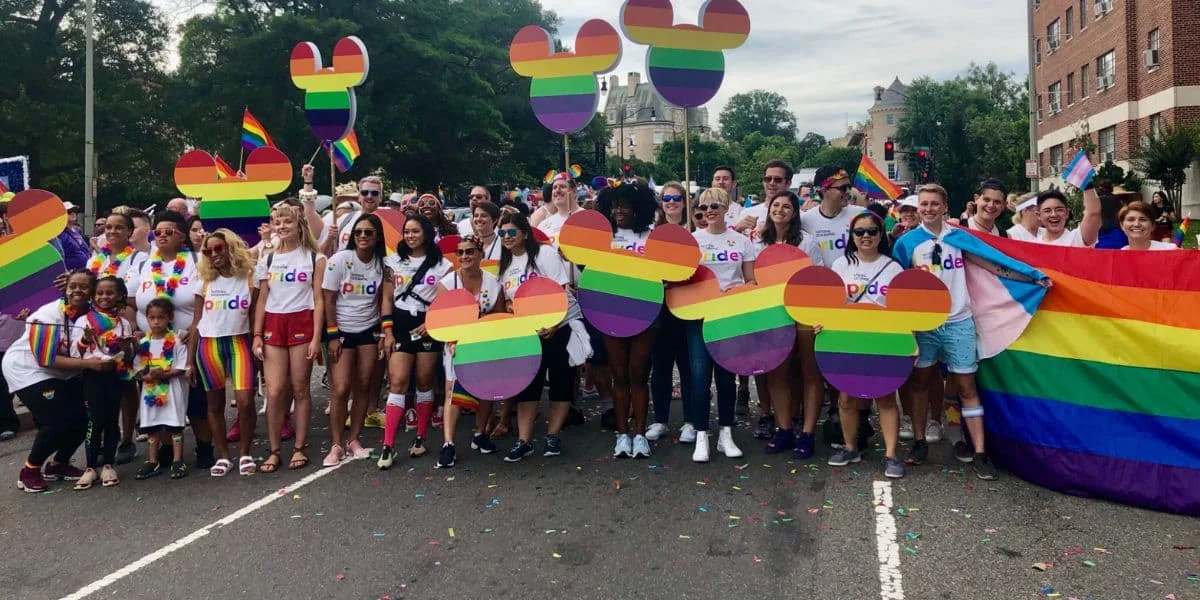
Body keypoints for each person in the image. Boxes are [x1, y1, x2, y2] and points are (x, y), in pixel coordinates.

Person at [893, 184, 1049, 480]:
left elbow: (993, 264)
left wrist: (1030, 278)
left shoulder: (960, 238)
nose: (929, 209)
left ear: (945, 206)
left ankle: (980, 452)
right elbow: (897, 284)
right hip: (924, 325)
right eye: (924, 204)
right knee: (921, 384)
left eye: (934, 204)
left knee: (967, 387)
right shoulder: (907, 243)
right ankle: (918, 441)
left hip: (960, 321)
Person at [7, 269, 116, 492]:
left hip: (64, 372)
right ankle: (30, 470)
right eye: (73, 285)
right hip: (28, 370)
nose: (77, 290)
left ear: (92, 292)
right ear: (66, 289)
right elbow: (45, 359)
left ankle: (59, 464)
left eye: (84, 287)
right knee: (56, 421)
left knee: (84, 419)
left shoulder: (91, 316)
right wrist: (89, 364)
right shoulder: (47, 315)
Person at [124, 210, 213, 470]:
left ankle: (204, 446)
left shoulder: (196, 262)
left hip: (187, 344)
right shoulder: (143, 265)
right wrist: (134, 331)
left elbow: (203, 309)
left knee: (195, 398)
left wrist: (193, 337)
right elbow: (131, 304)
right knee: (157, 394)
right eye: (157, 232)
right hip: (151, 347)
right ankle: (164, 450)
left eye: (168, 232)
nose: (161, 236)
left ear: (182, 237)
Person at [823, 212, 906, 478]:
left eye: (871, 231)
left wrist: (909, 341)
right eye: (859, 232)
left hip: (884, 339)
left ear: (881, 235)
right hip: (847, 338)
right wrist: (823, 324)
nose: (866, 236)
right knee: (846, 398)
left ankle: (892, 455)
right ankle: (850, 447)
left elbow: (903, 309)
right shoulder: (840, 265)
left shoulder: (893, 268)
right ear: (852, 236)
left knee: (885, 395)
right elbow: (832, 303)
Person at [497, 212, 584, 462]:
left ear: (525, 232)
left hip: (558, 327)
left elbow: (560, 289)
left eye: (511, 232)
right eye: (502, 233)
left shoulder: (544, 254)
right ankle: (524, 440)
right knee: (528, 387)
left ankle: (552, 435)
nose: (506, 237)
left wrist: (555, 324)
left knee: (561, 383)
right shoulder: (504, 265)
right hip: (526, 333)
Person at [252, 202, 326, 473]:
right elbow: (261, 299)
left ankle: (299, 447)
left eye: (288, 222)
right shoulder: (267, 258)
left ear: (299, 225)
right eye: (278, 222)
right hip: (274, 323)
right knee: (274, 391)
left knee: (300, 388)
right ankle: (273, 451)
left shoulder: (314, 258)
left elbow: (319, 300)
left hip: (302, 321)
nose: (282, 227)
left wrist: (317, 336)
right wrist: (257, 334)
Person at [379, 215, 454, 468]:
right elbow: (387, 299)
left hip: (427, 325)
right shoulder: (392, 262)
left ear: (426, 233)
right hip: (400, 323)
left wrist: (432, 322)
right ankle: (387, 445)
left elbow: (445, 301)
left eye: (415, 231)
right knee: (398, 380)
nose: (410, 236)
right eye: (406, 232)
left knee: (424, 379)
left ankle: (420, 436)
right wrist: (387, 332)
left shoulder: (442, 265)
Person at [685, 187, 752, 463]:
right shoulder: (692, 241)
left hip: (730, 317)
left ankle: (726, 433)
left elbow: (750, 282)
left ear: (726, 208)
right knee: (700, 378)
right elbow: (683, 282)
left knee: (727, 379)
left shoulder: (741, 241)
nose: (709, 211)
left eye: (715, 206)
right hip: (700, 318)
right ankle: (701, 435)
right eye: (704, 207)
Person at [757, 190, 824, 458]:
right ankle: (784, 429)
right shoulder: (758, 242)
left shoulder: (806, 242)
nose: (780, 210)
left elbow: (817, 280)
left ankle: (807, 433)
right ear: (769, 209)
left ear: (794, 213)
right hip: (773, 314)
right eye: (776, 205)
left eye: (786, 206)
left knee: (810, 373)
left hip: (804, 312)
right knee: (777, 373)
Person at [594, 180, 659, 458]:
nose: (618, 209)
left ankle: (641, 434)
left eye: (624, 204)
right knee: (619, 376)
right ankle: (622, 434)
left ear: (639, 207)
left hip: (647, 311)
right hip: (611, 311)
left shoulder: (652, 236)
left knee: (638, 375)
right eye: (614, 205)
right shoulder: (602, 236)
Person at [189, 229, 259, 476]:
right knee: (214, 403)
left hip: (240, 342)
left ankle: (246, 453)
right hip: (209, 345)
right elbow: (196, 323)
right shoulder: (204, 280)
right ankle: (224, 456)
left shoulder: (250, 277)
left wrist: (257, 344)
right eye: (208, 251)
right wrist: (189, 362)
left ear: (231, 248)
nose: (214, 254)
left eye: (220, 248)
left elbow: (254, 317)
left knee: (245, 402)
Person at [321, 214, 388, 467]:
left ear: (377, 237)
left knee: (364, 384)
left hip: (369, 331)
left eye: (368, 233)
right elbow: (328, 299)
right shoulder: (340, 260)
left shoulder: (383, 265)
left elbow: (383, 301)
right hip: (342, 331)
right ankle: (337, 444)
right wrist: (333, 335)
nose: (362, 236)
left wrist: (383, 334)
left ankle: (354, 439)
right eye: (358, 232)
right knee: (340, 388)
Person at [434, 235, 505, 468]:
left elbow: (499, 317)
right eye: (461, 252)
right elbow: (441, 320)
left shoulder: (494, 283)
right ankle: (449, 444)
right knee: (452, 392)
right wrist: (453, 340)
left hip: (485, 344)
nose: (465, 256)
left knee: (486, 391)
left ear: (480, 254)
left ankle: (480, 433)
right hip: (456, 345)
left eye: (470, 251)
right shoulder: (447, 283)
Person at [72, 276, 134, 489]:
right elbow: (74, 353)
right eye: (100, 293)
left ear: (119, 296)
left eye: (109, 293)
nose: (104, 297)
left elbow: (129, 355)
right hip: (92, 377)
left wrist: (126, 348)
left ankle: (108, 463)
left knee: (110, 420)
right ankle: (90, 467)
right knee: (95, 420)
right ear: (93, 296)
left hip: (114, 376)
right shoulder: (84, 321)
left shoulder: (123, 323)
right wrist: (86, 339)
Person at [647, 182, 691, 441]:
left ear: (685, 202)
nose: (671, 202)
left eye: (676, 198)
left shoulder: (695, 232)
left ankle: (690, 420)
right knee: (661, 366)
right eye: (666, 198)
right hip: (660, 306)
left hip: (688, 305)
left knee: (688, 367)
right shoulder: (653, 234)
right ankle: (661, 419)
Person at [132, 298, 192, 480]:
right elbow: (137, 369)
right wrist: (146, 376)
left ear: (170, 318)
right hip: (150, 391)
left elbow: (182, 367)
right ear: (147, 319)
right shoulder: (143, 343)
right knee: (152, 426)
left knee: (174, 426)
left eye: (161, 317)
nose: (156, 322)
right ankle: (152, 460)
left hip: (172, 390)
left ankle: (177, 459)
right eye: (152, 318)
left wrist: (164, 374)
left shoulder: (176, 341)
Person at [1032, 188, 1101, 246]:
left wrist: (1087, 185)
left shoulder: (1077, 238)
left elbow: (1093, 213)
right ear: (1039, 215)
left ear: (1067, 213)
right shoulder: (1032, 246)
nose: (1054, 214)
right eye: (1047, 211)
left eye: (1059, 210)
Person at [529, 175, 583, 245]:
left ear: (574, 191)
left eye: (563, 186)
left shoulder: (588, 218)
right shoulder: (543, 225)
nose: (557, 190)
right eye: (554, 187)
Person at [55, 202, 92, 270]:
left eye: (74, 211)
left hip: (85, 271)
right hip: (70, 274)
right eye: (69, 212)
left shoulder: (77, 231)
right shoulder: (57, 234)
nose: (73, 213)